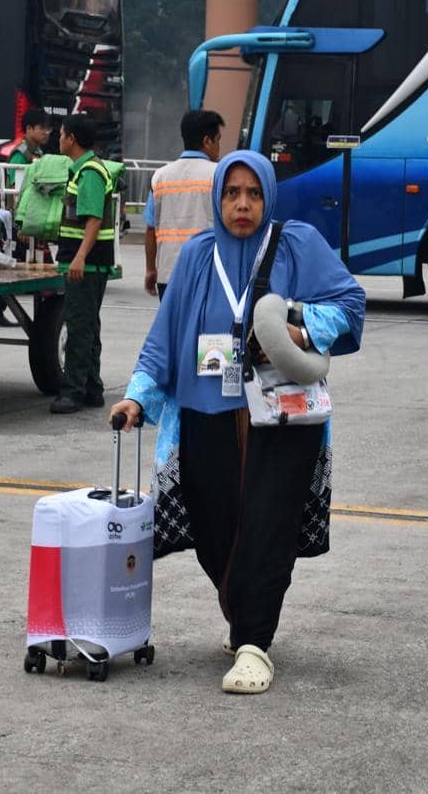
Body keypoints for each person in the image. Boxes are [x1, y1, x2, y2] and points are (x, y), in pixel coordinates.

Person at [108, 150, 365, 694]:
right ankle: (240, 609)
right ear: (217, 198)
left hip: (281, 416)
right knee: (213, 527)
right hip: (207, 412)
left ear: (267, 196)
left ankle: (254, 643)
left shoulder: (297, 243)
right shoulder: (200, 254)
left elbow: (349, 304)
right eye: (231, 194)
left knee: (268, 525)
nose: (242, 204)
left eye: (252, 194)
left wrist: (298, 327)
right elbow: (163, 336)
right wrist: (136, 397)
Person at [50, 113, 116, 414]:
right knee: (88, 324)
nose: (58, 138)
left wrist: (79, 257)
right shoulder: (85, 169)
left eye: (61, 134)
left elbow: (93, 219)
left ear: (72, 139)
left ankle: (73, 391)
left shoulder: (89, 171)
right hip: (88, 263)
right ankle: (92, 387)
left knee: (78, 327)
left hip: (86, 265)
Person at [143, 109, 223, 300]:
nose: (220, 146)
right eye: (218, 139)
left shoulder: (160, 176)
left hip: (168, 275)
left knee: (172, 329)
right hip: (207, 273)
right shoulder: (221, 174)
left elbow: (150, 229)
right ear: (207, 141)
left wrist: (150, 269)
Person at [0, 108, 53, 327]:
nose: (47, 132)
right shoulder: (20, 154)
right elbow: (16, 190)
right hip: (18, 221)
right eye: (42, 128)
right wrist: (19, 223)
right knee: (15, 265)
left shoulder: (39, 154)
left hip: (31, 218)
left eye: (48, 128)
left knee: (20, 265)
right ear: (29, 129)